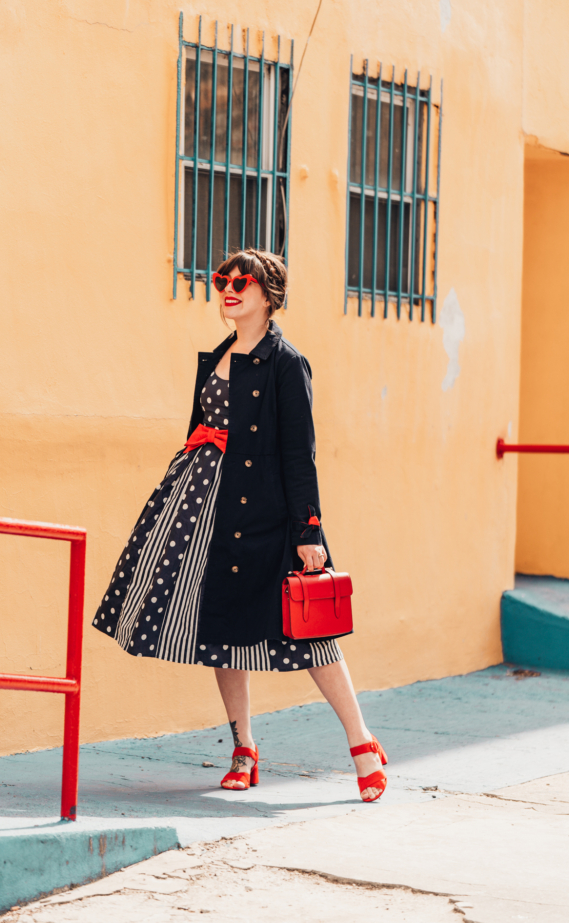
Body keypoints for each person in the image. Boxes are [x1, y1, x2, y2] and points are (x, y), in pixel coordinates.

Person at [92, 248, 387, 801]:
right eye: (222, 280)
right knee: (221, 629)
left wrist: (309, 532)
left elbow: (301, 455)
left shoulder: (285, 362)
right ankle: (244, 747)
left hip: (265, 514)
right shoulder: (221, 353)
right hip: (203, 506)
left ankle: (362, 742)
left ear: (268, 294)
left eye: (241, 281)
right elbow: (200, 428)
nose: (228, 288)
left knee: (311, 635)